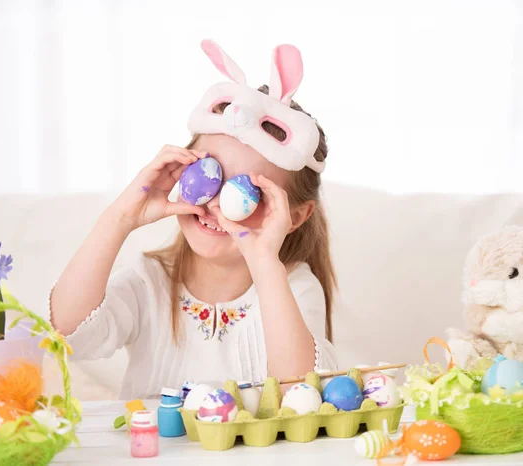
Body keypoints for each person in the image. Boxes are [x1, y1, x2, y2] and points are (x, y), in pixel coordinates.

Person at [50, 40, 338, 399]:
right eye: (207, 174)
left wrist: (265, 263)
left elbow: (300, 392)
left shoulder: (293, 287)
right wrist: (120, 217)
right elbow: (68, 334)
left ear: (294, 217)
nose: (215, 203)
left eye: (248, 194)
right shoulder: (150, 280)